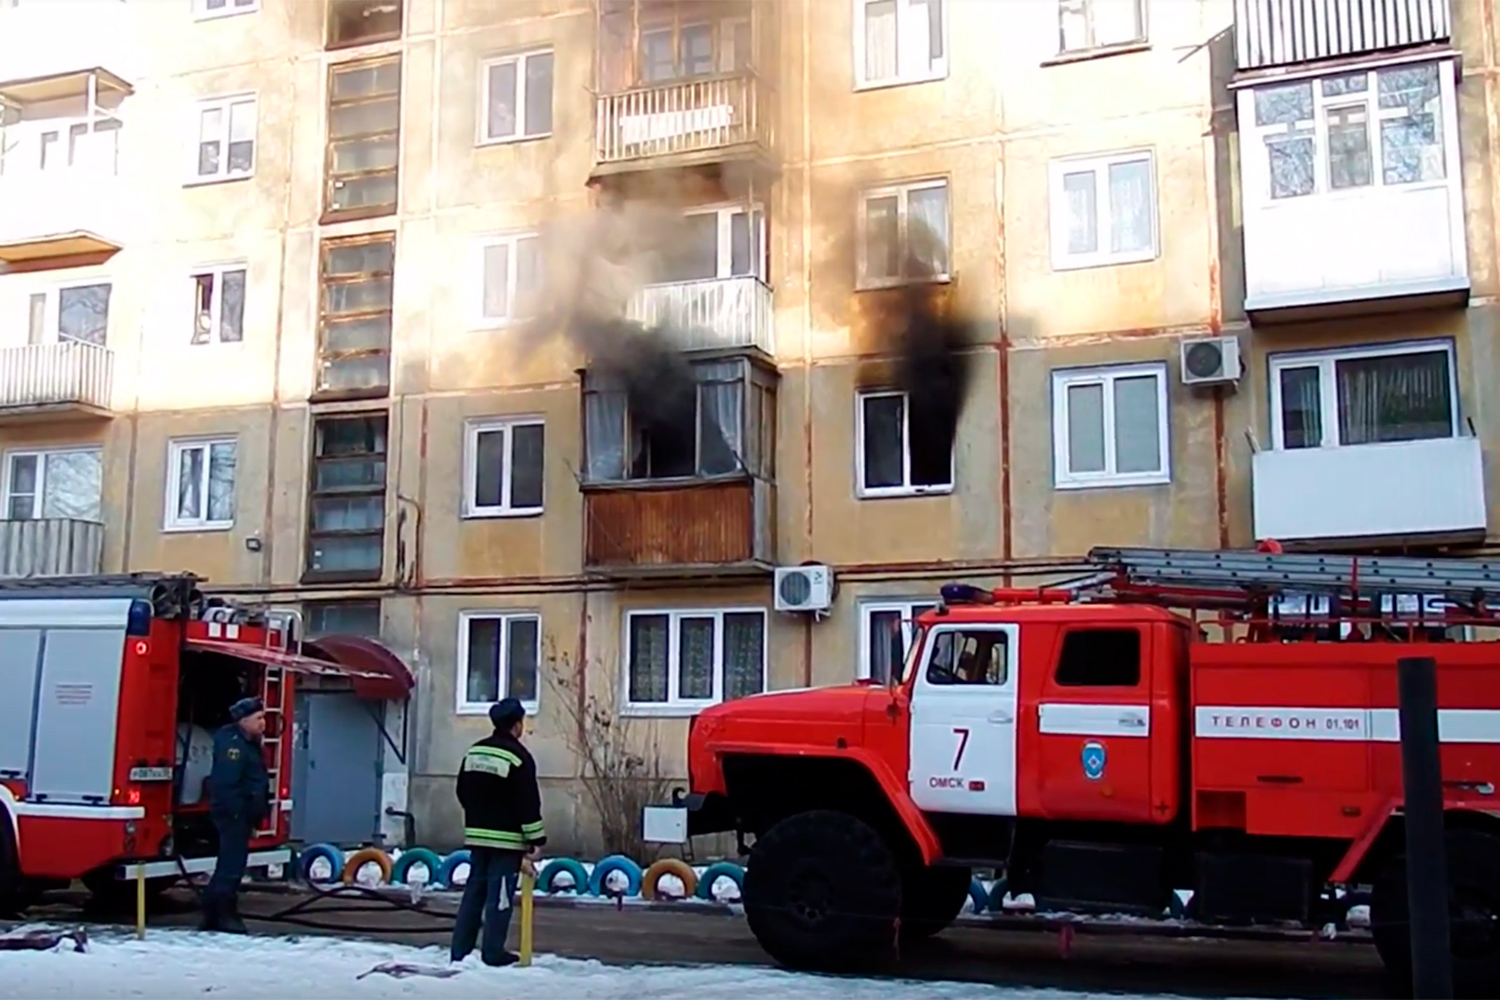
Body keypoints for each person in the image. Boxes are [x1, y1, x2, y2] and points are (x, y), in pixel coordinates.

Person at [450, 697, 547, 967]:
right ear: (517, 725)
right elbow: (527, 803)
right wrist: (535, 839)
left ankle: (460, 951)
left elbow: (462, 791)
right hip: (507, 841)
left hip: (477, 836)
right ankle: (493, 952)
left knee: (474, 893)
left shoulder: (474, 752)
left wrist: (477, 817)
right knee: (500, 896)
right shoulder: (519, 757)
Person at [200, 696, 270, 934]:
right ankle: (223, 914)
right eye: (259, 718)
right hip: (234, 815)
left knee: (232, 864)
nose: (264, 724)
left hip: (242, 814)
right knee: (231, 866)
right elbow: (226, 785)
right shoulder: (233, 745)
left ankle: (214, 914)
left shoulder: (247, 742)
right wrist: (238, 814)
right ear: (244, 720)